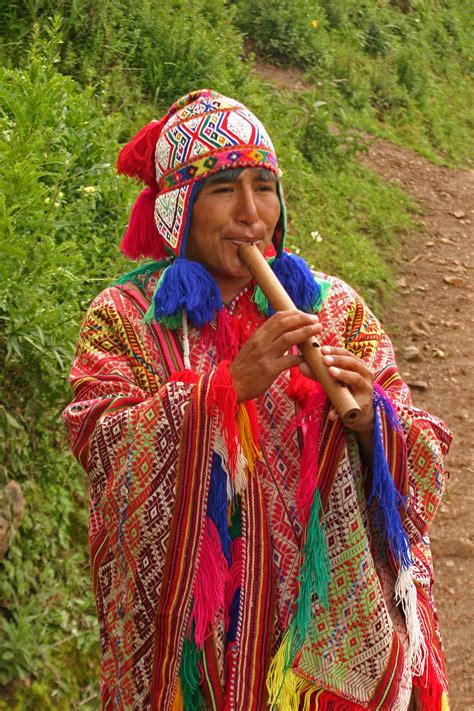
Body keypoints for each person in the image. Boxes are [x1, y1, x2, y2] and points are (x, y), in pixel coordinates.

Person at [63, 90, 452, 710]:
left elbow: (426, 449)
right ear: (179, 210)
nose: (251, 213)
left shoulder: (333, 306)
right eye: (222, 189)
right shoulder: (127, 318)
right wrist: (222, 391)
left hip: (317, 641)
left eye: (264, 186)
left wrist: (372, 421)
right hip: (201, 651)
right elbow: (102, 443)